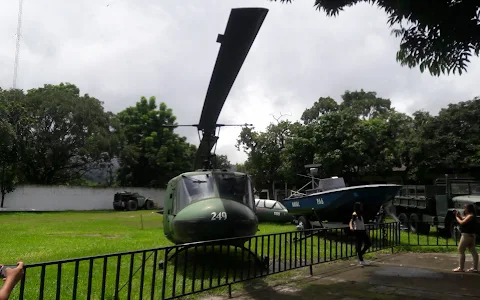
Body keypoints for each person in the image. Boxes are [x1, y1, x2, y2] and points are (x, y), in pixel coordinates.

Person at [452, 204, 478, 273]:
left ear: (469, 209)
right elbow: (463, 219)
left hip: (466, 236)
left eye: (465, 208)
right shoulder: (471, 215)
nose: (464, 209)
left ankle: (461, 268)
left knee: (460, 250)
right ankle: (475, 268)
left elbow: (462, 222)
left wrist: (456, 218)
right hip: (472, 235)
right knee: (473, 250)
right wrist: (459, 216)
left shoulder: (470, 216)